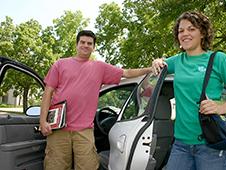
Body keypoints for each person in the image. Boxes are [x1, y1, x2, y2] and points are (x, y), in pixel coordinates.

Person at [152, 11, 226, 170]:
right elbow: (156, 68)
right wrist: (157, 61)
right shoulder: (177, 61)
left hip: (211, 144)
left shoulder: (218, 59)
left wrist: (220, 108)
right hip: (181, 144)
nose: (185, 34)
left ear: (203, 33)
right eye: (181, 30)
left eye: (191, 29)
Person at [39, 30, 152, 170]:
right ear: (76, 44)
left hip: (84, 130)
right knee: (55, 167)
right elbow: (47, 93)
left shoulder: (100, 67)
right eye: (82, 42)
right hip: (58, 129)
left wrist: (150, 69)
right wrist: (43, 121)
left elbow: (127, 73)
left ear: (94, 47)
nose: (85, 45)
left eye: (89, 43)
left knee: (88, 166)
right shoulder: (60, 64)